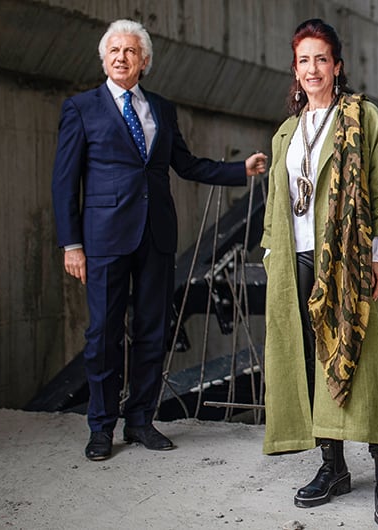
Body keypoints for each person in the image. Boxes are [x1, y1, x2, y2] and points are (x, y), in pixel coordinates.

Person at [51, 19, 268, 462]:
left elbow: (186, 166)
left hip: (155, 236)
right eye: (113, 50)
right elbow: (63, 182)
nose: (120, 57)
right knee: (103, 336)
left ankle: (141, 422)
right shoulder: (82, 108)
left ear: (144, 61)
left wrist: (238, 170)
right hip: (104, 239)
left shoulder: (162, 109)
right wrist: (71, 244)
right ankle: (100, 428)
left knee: (153, 333)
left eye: (130, 51)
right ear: (103, 57)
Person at [259, 18, 378, 529]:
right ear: (295, 70)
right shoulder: (286, 132)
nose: (313, 68)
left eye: (322, 58)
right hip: (295, 258)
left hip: (349, 261)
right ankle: (333, 466)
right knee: (311, 361)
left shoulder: (363, 118)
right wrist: (270, 254)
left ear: (337, 66)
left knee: (364, 362)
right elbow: (276, 201)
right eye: (304, 60)